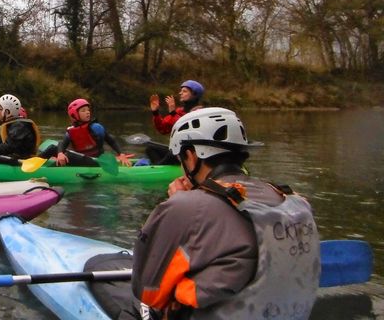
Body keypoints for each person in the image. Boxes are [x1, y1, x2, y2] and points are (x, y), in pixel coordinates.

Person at [105, 107, 319, 319]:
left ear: (190, 156)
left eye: (181, 159)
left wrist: (176, 204)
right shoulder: (295, 201)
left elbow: (147, 291)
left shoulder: (184, 206)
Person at [41, 98, 132, 167]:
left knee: (65, 153)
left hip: (96, 162)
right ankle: (34, 164)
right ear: (74, 114)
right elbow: (62, 143)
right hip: (81, 159)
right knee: (53, 148)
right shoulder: (71, 131)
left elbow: (111, 141)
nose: (87, 112)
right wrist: (60, 153)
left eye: (88, 110)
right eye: (83, 110)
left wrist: (121, 154)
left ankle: (35, 168)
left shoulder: (96, 128)